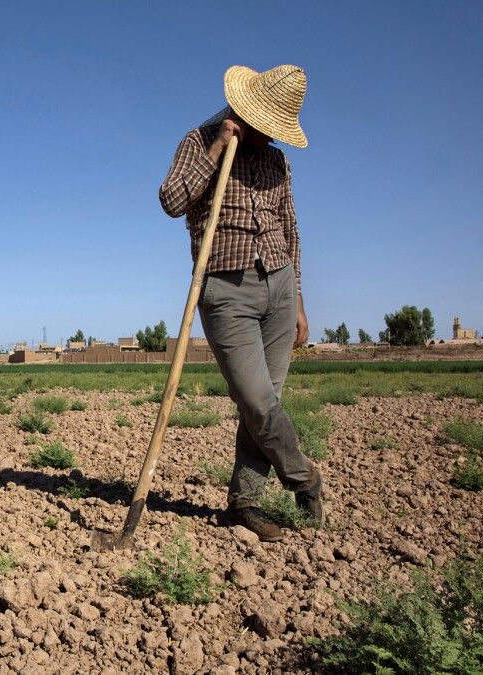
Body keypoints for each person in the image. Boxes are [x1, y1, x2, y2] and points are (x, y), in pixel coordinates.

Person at [159, 65, 323, 542]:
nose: (265, 136)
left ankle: (245, 500)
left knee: (266, 403)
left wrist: (299, 301)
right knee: (255, 400)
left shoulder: (277, 163)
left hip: (279, 285)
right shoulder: (198, 141)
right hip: (224, 289)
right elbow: (172, 200)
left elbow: (290, 230)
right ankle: (305, 479)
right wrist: (215, 151)